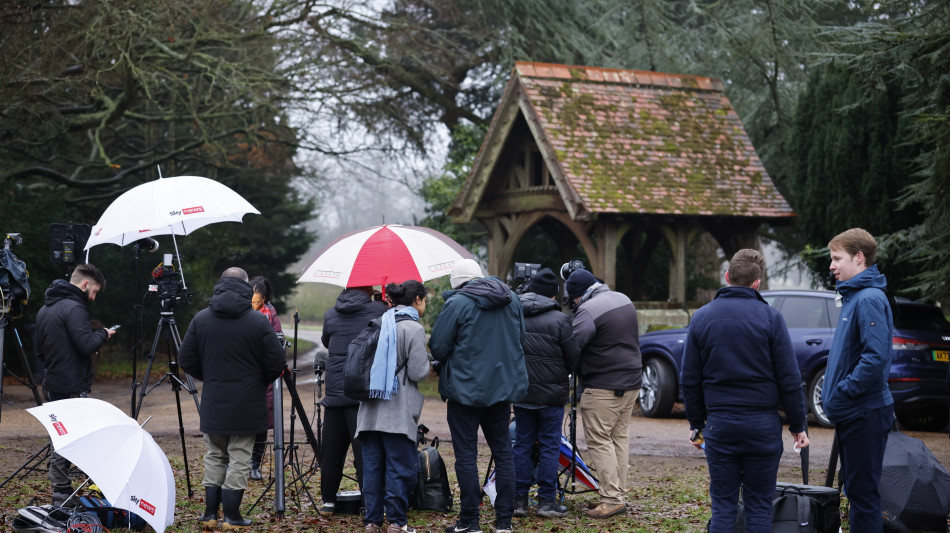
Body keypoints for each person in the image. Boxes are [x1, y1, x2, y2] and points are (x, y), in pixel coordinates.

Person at [680, 249, 809, 532]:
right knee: (760, 507)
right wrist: (798, 425)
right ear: (757, 283)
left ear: (727, 277)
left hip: (720, 424)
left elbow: (689, 378)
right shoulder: (771, 319)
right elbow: (789, 377)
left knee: (723, 505)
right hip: (762, 425)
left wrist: (696, 423)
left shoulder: (702, 318)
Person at [179, 267, 286, 530]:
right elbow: (277, 362)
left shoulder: (201, 319)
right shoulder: (258, 321)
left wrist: (212, 377)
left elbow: (185, 360)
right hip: (247, 402)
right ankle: (232, 517)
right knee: (239, 457)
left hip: (214, 399)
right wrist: (257, 381)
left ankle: (209, 515)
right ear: (247, 287)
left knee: (214, 455)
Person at [429, 259, 528, 533]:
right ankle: (504, 522)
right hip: (501, 391)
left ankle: (470, 521)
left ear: (458, 283)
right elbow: (521, 338)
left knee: (466, 456)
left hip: (464, 393)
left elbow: (438, 347)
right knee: (504, 453)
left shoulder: (458, 303)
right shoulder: (512, 300)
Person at [822, 228, 894, 531]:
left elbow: (874, 358)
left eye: (837, 258)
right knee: (857, 490)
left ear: (859, 257)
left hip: (863, 412)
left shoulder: (868, 299)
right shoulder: (854, 297)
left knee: (862, 494)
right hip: (855, 412)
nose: (832, 265)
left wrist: (842, 393)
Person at [34, 263, 116, 507]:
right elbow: (86, 345)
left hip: (53, 381)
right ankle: (62, 491)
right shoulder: (75, 309)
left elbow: (38, 352)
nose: (93, 297)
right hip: (72, 384)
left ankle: (71, 485)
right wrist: (103, 333)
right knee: (67, 436)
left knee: (63, 433)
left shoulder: (45, 310)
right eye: (94, 292)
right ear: (85, 284)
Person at [564, 268, 640, 519]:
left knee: (599, 440)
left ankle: (611, 499)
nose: (573, 304)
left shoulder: (588, 310)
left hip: (604, 385)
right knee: (619, 438)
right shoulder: (623, 299)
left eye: (572, 300)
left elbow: (574, 346)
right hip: (631, 382)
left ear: (577, 296)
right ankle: (617, 493)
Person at [357, 280, 431, 533]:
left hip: (369, 412)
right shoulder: (412, 328)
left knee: (373, 469)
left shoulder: (377, 322)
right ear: (417, 300)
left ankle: (372, 522)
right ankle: (397, 522)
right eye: (425, 300)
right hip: (397, 412)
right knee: (399, 469)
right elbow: (419, 372)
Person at [512, 268, 580, 518]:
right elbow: (573, 358)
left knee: (522, 444)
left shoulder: (515, 313)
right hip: (551, 396)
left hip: (521, 392)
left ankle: (519, 501)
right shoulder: (560, 320)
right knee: (550, 446)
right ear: (554, 294)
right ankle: (546, 502)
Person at [319, 285, 389, 513]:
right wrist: (383, 303)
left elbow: (327, 342)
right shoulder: (379, 310)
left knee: (332, 450)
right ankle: (369, 502)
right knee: (365, 451)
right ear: (368, 288)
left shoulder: (330, 313)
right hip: (361, 391)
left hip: (335, 392)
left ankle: (328, 499)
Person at [248, 276, 284, 481]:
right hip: (245, 374)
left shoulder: (271, 316)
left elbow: (278, 342)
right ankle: (236, 463)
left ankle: (255, 464)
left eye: (258, 302)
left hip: (264, 377)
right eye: (251, 301)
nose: (254, 305)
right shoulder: (240, 313)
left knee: (262, 422)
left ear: (264, 300)